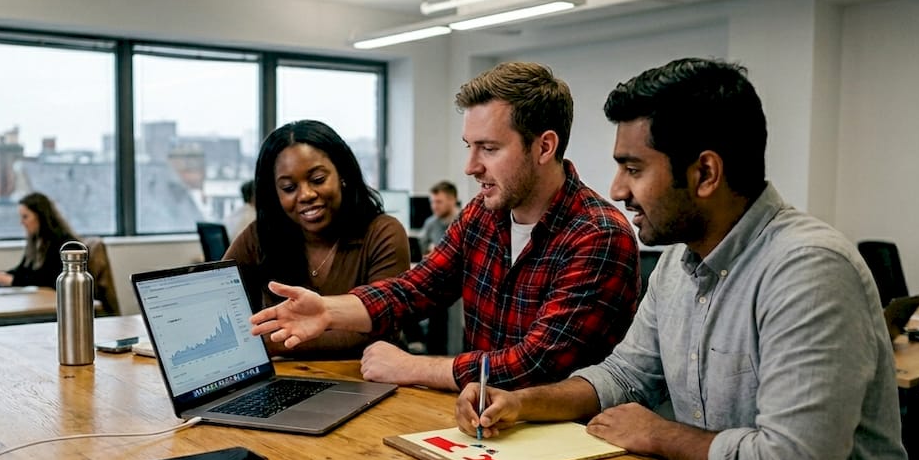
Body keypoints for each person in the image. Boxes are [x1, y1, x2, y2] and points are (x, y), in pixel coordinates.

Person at [457, 58, 910, 460]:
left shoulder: (809, 270)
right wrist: (520, 403)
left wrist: (659, 434)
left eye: (634, 169)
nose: (617, 189)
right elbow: (625, 376)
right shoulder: (677, 263)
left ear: (705, 174)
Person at [252, 62, 639, 391]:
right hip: (484, 424)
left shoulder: (598, 235)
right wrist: (327, 310)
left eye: (489, 149)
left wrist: (413, 367)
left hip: (567, 440)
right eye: (469, 146)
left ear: (544, 147)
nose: (471, 167)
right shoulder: (483, 215)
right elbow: (415, 289)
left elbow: (536, 365)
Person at [225, 120, 409, 357]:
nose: (306, 195)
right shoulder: (260, 235)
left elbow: (381, 328)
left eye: (318, 179)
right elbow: (218, 300)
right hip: (287, 375)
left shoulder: (383, 233)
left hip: (364, 375)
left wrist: (267, 343)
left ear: (342, 174)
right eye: (289, 188)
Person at [0, 192, 79, 288]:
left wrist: (12, 280)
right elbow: (22, 271)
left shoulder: (67, 245)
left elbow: (51, 280)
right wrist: (0, 275)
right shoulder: (36, 241)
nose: (21, 222)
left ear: (40, 217)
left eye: (25, 217)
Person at [419, 180, 459, 255]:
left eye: (439, 202)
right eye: (432, 202)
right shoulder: (430, 223)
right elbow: (423, 253)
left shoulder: (466, 223)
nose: (434, 206)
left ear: (452, 200)